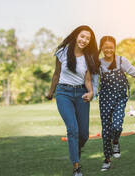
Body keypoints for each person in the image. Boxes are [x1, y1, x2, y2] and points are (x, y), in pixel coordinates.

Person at [46, 25, 100, 176]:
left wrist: (91, 93)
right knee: (72, 129)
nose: (84, 40)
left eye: (87, 38)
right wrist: (51, 92)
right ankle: (76, 167)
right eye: (82, 36)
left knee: (84, 134)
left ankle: (76, 149)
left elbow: (88, 79)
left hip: (81, 94)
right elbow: (56, 74)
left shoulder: (88, 57)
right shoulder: (63, 52)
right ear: (76, 36)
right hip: (64, 93)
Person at [98, 36, 135, 171]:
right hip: (104, 99)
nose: (108, 50)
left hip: (120, 99)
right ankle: (107, 159)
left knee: (116, 126)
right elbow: (93, 81)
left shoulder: (121, 60)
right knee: (106, 130)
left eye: (111, 47)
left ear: (115, 48)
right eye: (105, 47)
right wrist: (91, 92)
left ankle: (115, 141)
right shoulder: (98, 63)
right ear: (101, 48)